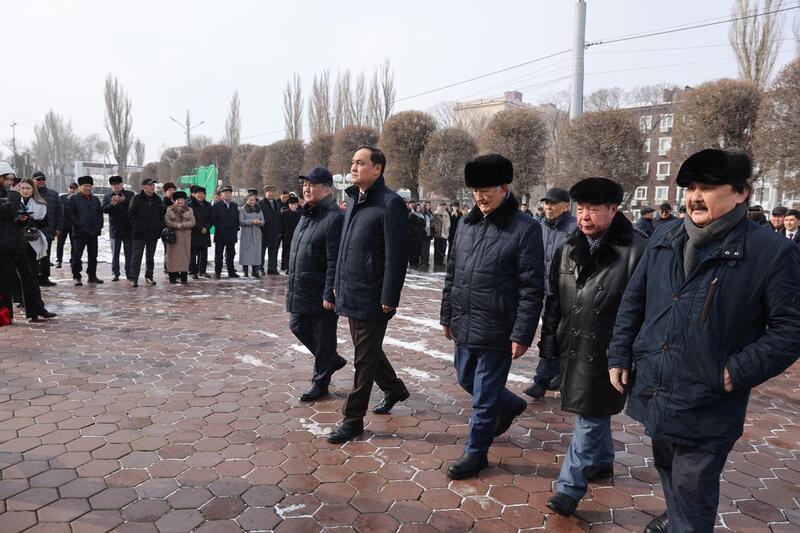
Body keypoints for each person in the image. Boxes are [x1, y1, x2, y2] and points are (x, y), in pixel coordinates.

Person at [608, 148, 800, 533]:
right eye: (690, 187)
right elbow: (635, 298)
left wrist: (733, 372)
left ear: (741, 192)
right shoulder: (666, 236)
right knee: (669, 472)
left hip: (710, 399)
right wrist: (620, 352)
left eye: (707, 187)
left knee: (692, 487)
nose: (694, 196)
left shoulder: (771, 252)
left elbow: (790, 329)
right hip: (657, 387)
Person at [539, 178, 647, 517]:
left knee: (588, 415)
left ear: (614, 210)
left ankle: (569, 488)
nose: (584, 217)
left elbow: (645, 310)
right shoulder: (569, 246)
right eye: (580, 209)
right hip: (572, 342)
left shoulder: (639, 251)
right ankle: (601, 462)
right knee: (594, 413)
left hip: (610, 350)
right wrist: (548, 344)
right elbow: (554, 299)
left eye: (593, 209)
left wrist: (630, 354)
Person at [440, 154, 545, 479]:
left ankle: (476, 453)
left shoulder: (525, 229)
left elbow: (531, 287)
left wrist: (522, 333)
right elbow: (452, 271)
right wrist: (447, 314)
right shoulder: (467, 223)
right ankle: (510, 403)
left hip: (499, 325)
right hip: (465, 320)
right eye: (474, 191)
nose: (479, 197)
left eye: (485, 190)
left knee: (484, 397)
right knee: (465, 378)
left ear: (504, 188)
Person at [327, 146, 409, 444]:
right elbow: (344, 246)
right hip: (350, 288)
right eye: (352, 162)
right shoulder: (352, 198)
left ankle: (353, 419)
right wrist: (337, 280)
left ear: (378, 169)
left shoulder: (391, 204)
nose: (354, 167)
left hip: (374, 295)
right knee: (368, 350)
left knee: (363, 358)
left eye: (360, 163)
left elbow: (396, 255)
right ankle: (395, 389)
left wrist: (390, 295)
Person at [287, 167, 347, 401]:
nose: (306, 188)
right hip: (302, 285)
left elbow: (335, 259)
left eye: (312, 185)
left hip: (321, 289)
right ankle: (330, 359)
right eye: (305, 185)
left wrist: (330, 293)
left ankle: (320, 382)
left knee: (323, 337)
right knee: (297, 325)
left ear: (326, 189)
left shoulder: (334, 217)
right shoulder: (307, 214)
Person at [523, 187, 577, 400]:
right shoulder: (538, 226)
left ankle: (544, 380)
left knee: (561, 337)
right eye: (546, 203)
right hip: (543, 292)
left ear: (566, 205)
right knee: (551, 335)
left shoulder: (575, 227)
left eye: (553, 203)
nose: (548, 207)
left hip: (567, 294)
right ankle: (552, 377)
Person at [0, 166, 55, 323]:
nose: (10, 182)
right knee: (6, 281)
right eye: (7, 178)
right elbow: (5, 210)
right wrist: (14, 196)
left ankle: (36, 310)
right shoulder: (12, 195)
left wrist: (23, 219)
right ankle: (6, 315)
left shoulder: (10, 194)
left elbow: (14, 213)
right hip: (3, 246)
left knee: (30, 277)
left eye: (12, 179)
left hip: (18, 242)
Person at [15, 177, 58, 322]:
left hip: (32, 243)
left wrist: (28, 220)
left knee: (32, 277)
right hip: (16, 243)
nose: (25, 191)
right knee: (21, 278)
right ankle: (31, 308)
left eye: (28, 188)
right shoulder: (13, 202)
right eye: (23, 188)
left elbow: (44, 222)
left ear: (33, 189)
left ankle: (36, 309)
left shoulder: (40, 204)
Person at [66, 175, 104, 286]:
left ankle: (92, 276)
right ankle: (76, 276)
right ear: (80, 186)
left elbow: (99, 214)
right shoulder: (73, 199)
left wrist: (98, 227)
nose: (88, 188)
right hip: (79, 233)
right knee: (77, 255)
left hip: (93, 233)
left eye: (90, 186)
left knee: (93, 256)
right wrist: (78, 225)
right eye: (85, 186)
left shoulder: (95, 199)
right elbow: (70, 214)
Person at [129, 178, 166, 287]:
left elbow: (161, 215)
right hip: (139, 234)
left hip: (153, 234)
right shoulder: (136, 199)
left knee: (150, 257)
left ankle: (149, 276)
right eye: (150, 185)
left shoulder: (157, 199)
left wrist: (159, 228)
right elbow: (131, 214)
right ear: (144, 187)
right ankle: (134, 277)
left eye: (153, 185)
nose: (152, 187)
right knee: (137, 256)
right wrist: (137, 226)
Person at [101, 175, 135, 282]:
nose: (116, 187)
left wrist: (124, 200)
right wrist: (112, 204)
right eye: (113, 185)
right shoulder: (107, 196)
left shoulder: (130, 194)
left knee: (129, 253)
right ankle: (115, 273)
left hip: (128, 228)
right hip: (115, 229)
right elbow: (104, 210)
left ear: (122, 184)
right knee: (115, 253)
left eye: (118, 184)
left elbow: (134, 208)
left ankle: (129, 273)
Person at [32, 171, 60, 287]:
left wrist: (58, 228)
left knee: (46, 256)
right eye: (38, 179)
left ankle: (45, 277)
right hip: (32, 230)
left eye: (43, 179)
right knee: (33, 256)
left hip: (48, 229)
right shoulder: (29, 193)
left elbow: (59, 211)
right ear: (33, 180)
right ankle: (33, 278)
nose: (41, 181)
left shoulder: (53, 194)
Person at [164, 191, 196, 284]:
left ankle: (183, 277)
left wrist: (183, 224)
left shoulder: (189, 210)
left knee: (185, 257)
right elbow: (167, 221)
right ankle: (172, 277)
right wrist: (176, 225)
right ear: (174, 200)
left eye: (182, 199)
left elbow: (193, 222)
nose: (180, 201)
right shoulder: (169, 209)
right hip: (173, 237)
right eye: (178, 199)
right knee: (172, 257)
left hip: (185, 237)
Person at [211, 185, 240, 279]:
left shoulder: (234, 205)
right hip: (220, 233)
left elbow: (236, 219)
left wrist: (235, 229)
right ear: (221, 195)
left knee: (231, 254)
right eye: (225, 193)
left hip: (231, 233)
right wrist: (220, 228)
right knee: (219, 254)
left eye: (229, 193)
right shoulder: (217, 205)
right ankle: (217, 272)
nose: (227, 195)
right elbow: (214, 219)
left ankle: (231, 271)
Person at [187, 186, 213, 279]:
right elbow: (190, 219)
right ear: (194, 194)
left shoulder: (208, 205)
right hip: (194, 232)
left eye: (202, 194)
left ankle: (202, 271)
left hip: (205, 233)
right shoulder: (189, 205)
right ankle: (193, 271)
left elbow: (211, 219)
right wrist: (200, 228)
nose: (200, 195)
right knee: (193, 254)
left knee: (204, 254)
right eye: (198, 193)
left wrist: (206, 228)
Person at [239, 192, 265, 277]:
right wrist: (252, 221)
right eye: (250, 200)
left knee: (256, 253)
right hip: (247, 233)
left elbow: (263, 221)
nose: (252, 201)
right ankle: (245, 271)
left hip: (257, 233)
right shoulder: (242, 209)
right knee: (245, 252)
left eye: (253, 200)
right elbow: (241, 221)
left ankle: (255, 271)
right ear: (246, 200)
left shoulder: (259, 209)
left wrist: (259, 222)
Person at [259, 185, 281, 275]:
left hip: (275, 232)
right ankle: (260, 268)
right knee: (262, 251)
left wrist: (280, 230)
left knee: (274, 251)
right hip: (264, 232)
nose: (271, 194)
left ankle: (272, 268)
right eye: (269, 192)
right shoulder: (260, 204)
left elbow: (279, 217)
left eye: (272, 192)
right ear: (265, 193)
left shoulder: (277, 204)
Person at [56, 182, 78, 269]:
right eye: (70, 188)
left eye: (74, 188)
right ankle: (59, 260)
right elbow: (60, 210)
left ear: (77, 189)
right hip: (63, 225)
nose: (72, 190)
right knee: (60, 244)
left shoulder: (78, 198)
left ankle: (73, 260)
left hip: (73, 225)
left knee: (74, 244)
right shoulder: (62, 197)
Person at [280, 196, 301, 272]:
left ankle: (293, 266)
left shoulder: (300, 214)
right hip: (287, 235)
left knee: (295, 251)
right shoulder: (284, 214)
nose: (293, 206)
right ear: (289, 205)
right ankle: (285, 266)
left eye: (295, 204)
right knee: (286, 251)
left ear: (297, 205)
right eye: (291, 204)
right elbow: (282, 225)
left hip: (297, 235)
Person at [407, 202, 425, 267]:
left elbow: (423, 224)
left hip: (419, 235)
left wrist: (422, 228)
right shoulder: (411, 214)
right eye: (417, 207)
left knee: (418, 249)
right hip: (412, 235)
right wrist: (415, 229)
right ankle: (412, 262)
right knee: (412, 249)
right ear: (415, 208)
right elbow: (409, 224)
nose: (418, 209)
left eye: (419, 207)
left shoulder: (421, 215)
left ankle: (416, 261)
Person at [420, 201, 433, 267]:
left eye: (429, 205)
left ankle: (426, 261)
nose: (428, 206)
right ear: (424, 206)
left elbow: (432, 222)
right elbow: (420, 223)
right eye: (426, 205)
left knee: (427, 248)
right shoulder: (422, 213)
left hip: (429, 232)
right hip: (423, 232)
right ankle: (423, 261)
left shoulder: (431, 213)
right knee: (423, 248)